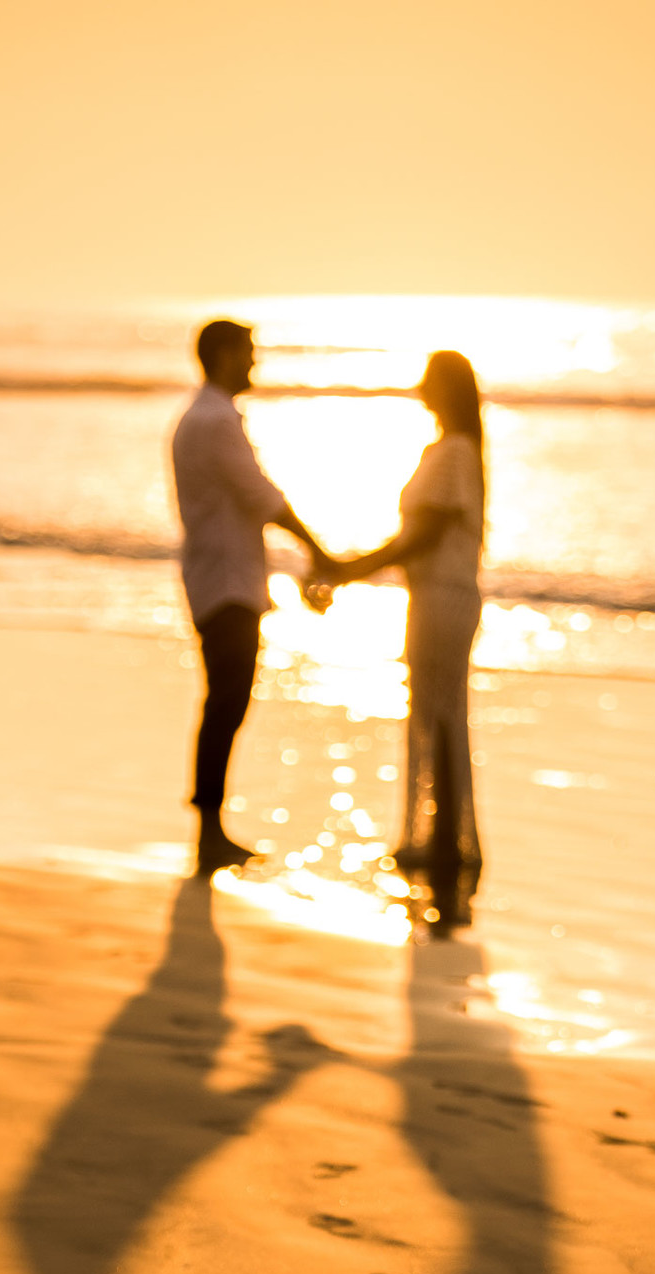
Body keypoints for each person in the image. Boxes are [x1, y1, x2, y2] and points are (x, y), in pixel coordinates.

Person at [323, 350, 485, 925]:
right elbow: (415, 538)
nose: (422, 389)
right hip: (431, 596)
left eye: (431, 381)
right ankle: (435, 836)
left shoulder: (455, 452)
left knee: (439, 714)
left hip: (443, 595)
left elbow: (420, 537)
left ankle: (443, 842)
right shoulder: (445, 451)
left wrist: (346, 570)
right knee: (432, 711)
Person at [171, 318, 330, 876]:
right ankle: (208, 832)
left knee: (225, 703)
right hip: (226, 584)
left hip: (219, 577)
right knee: (226, 704)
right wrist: (320, 551)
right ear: (222, 356)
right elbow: (260, 496)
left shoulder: (204, 417)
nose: (255, 362)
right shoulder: (215, 422)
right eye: (248, 352)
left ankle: (211, 829)